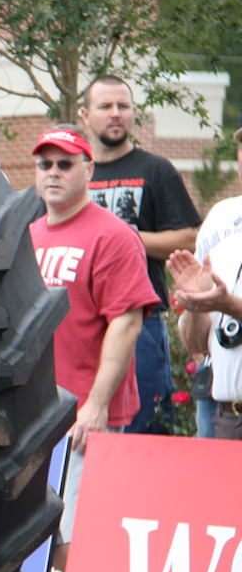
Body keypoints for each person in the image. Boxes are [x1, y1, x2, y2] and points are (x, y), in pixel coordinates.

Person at [28, 125, 158, 572]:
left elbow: (126, 322)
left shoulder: (112, 235)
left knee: (73, 546)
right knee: (41, 544)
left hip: (84, 422)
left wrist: (96, 404)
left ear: (89, 170)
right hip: (34, 422)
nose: (54, 173)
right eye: (46, 165)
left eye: (66, 164)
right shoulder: (29, 235)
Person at [80, 75, 201, 434]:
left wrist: (122, 237)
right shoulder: (74, 172)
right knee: (81, 429)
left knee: (144, 429)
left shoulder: (155, 170)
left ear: (134, 113)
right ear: (85, 115)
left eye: (124, 106)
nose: (116, 114)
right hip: (82, 324)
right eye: (105, 107)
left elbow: (187, 237)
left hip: (141, 322)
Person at [169, 131, 242, 440]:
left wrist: (227, 306)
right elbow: (197, 344)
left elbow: (226, 306)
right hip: (226, 415)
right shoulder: (221, 221)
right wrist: (197, 303)